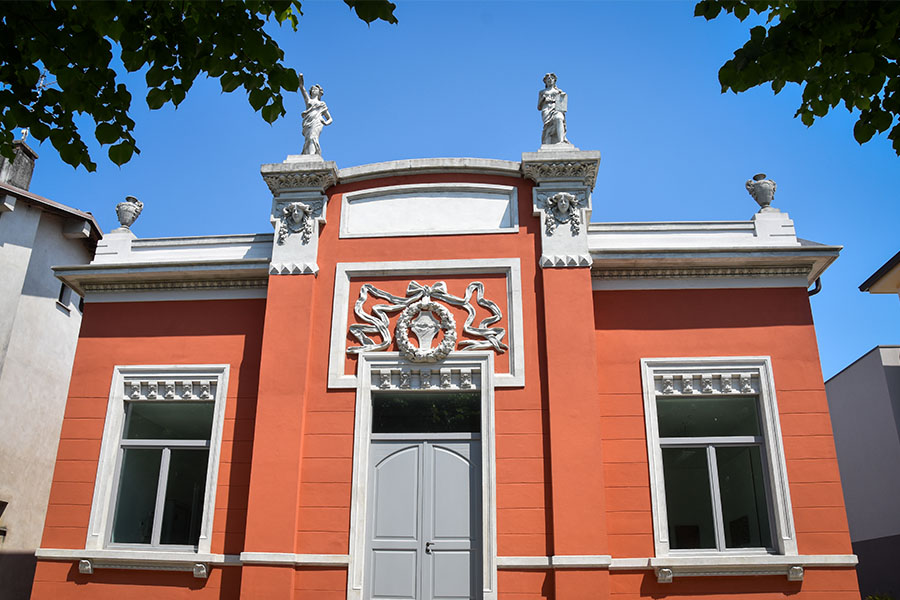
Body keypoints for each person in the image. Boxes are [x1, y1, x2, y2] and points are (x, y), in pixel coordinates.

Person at [299, 73, 333, 155]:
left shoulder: (322, 104)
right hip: (308, 122)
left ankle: (312, 155)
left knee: (312, 137)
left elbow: (330, 119)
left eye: (316, 89)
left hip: (317, 122)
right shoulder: (309, 101)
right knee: (308, 139)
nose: (314, 90)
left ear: (320, 92)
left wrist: (325, 122)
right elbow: (302, 88)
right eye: (312, 89)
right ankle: (308, 155)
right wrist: (301, 78)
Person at [537, 73, 568, 145]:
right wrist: (543, 99)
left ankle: (561, 141)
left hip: (556, 107)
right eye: (548, 79)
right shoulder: (542, 92)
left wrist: (562, 96)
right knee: (548, 127)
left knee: (559, 118)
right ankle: (548, 142)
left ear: (554, 80)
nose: (550, 80)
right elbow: (539, 107)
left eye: (552, 78)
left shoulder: (558, 91)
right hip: (546, 109)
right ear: (545, 81)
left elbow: (563, 102)